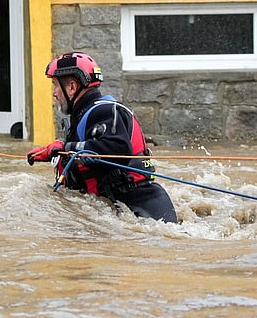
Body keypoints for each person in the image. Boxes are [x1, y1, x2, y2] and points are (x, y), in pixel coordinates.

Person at [27, 52, 178, 223]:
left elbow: (117, 148)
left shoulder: (103, 111)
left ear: (71, 87)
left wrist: (65, 148)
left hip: (143, 205)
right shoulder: (86, 115)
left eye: (55, 85)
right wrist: (57, 152)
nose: (54, 93)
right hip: (121, 206)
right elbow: (91, 147)